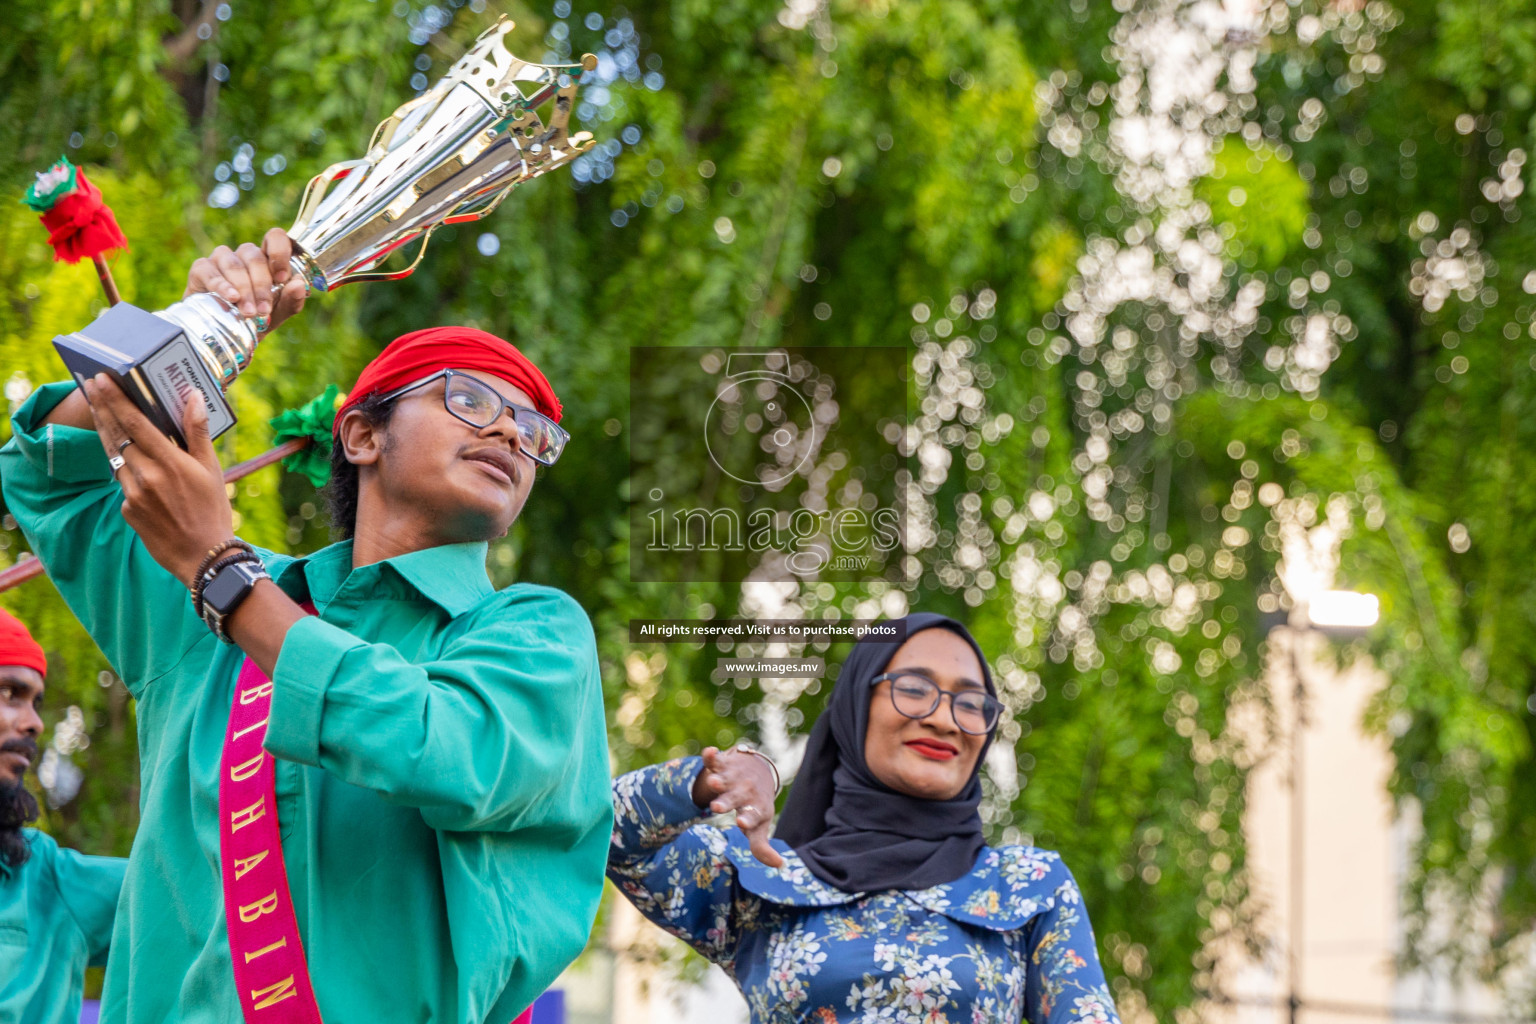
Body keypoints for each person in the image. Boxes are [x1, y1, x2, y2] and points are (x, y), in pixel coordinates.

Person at [0, 230, 613, 1023]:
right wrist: (200, 333)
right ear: (361, 435)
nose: (508, 433)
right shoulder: (202, 597)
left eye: (534, 433)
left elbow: (446, 749)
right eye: (470, 399)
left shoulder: (532, 634)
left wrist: (222, 575)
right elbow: (54, 477)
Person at [607, 613, 1121, 1024]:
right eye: (915, 689)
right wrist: (714, 778)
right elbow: (606, 832)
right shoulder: (766, 876)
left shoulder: (1028, 887)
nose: (944, 719)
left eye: (970, 702)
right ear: (857, 704)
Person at [0, 606, 127, 1024]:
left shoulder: (44, 877)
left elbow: (211, 880)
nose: (34, 722)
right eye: (8, 694)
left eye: (36, 701)